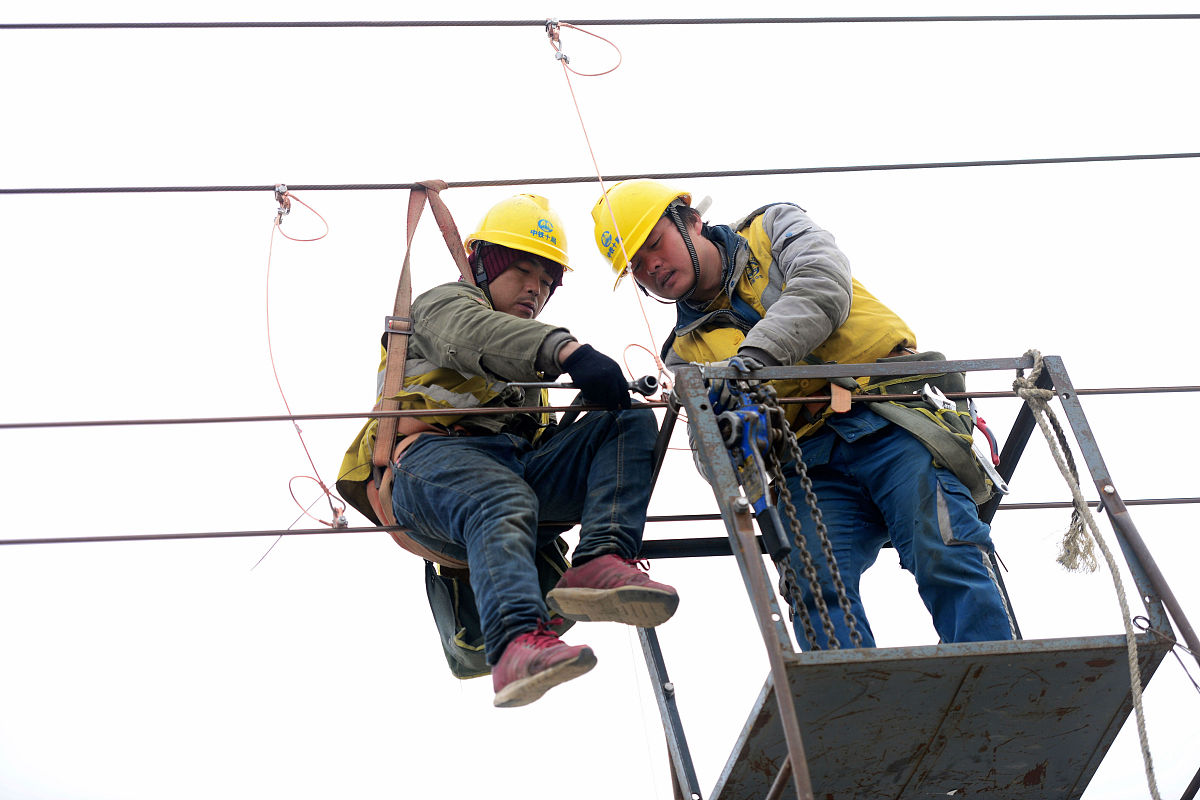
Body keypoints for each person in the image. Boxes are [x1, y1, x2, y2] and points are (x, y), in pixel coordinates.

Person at [591, 180, 1014, 649]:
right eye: (636, 265)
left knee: (945, 551)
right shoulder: (682, 354)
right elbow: (711, 462)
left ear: (691, 221)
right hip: (811, 460)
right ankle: (854, 710)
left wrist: (746, 366)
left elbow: (823, 286)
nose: (651, 265)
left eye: (655, 243)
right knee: (813, 588)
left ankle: (995, 687)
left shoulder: (772, 227)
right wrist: (730, 433)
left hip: (891, 415)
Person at [339, 194, 678, 707]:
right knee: (501, 496)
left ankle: (602, 557)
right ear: (482, 264)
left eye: (546, 283)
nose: (535, 290)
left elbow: (539, 442)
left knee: (625, 418)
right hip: (427, 468)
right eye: (522, 272)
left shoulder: (528, 377)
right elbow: (477, 335)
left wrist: (585, 415)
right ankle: (517, 643)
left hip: (511, 473)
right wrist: (568, 351)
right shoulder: (439, 307)